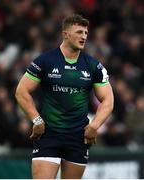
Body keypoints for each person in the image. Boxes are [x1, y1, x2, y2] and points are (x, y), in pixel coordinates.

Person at [15, 14, 114, 179]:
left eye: (85, 33)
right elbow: (21, 91)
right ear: (65, 34)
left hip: (78, 138)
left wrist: (94, 126)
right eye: (79, 32)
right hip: (49, 135)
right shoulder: (45, 61)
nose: (83, 36)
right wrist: (36, 120)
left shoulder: (93, 65)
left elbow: (108, 100)